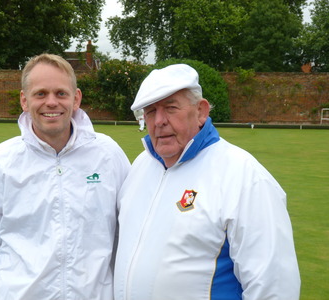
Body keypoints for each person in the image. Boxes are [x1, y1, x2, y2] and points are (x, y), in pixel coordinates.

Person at [113, 64, 300, 300]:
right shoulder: (141, 165)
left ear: (201, 111)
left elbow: (274, 286)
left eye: (170, 108)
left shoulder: (244, 175)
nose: (159, 121)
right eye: (150, 111)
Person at [0, 53, 130, 300]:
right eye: (40, 94)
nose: (51, 102)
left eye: (60, 93)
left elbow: (130, 239)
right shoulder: (0, 161)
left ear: (76, 98)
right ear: (24, 100)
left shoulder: (108, 155)